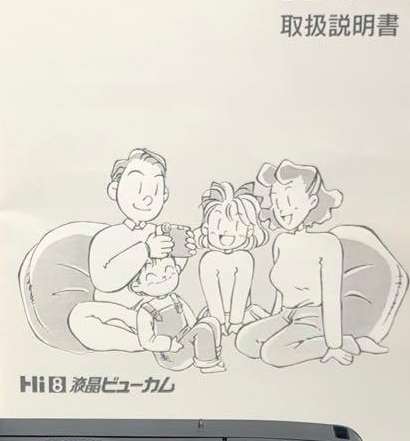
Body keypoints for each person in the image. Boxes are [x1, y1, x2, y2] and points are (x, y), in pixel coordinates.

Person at [235, 160, 388, 368]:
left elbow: (331, 298)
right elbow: (280, 291)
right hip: (286, 314)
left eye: (289, 199)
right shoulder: (281, 241)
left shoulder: (327, 243)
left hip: (314, 318)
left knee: (272, 354)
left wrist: (334, 345)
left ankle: (350, 344)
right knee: (245, 342)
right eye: (276, 200)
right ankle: (343, 342)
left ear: (312, 201)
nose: (281, 208)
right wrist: (274, 321)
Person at [69, 149, 195, 353]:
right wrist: (145, 250)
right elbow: (103, 281)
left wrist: (182, 255)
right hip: (122, 316)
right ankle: (145, 343)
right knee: (80, 317)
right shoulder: (107, 237)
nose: (147, 198)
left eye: (155, 190)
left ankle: (165, 338)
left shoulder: (161, 232)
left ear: (164, 195)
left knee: (176, 307)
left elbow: (170, 275)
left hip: (157, 311)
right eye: (137, 187)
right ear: (114, 190)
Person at [197, 182, 270, 338]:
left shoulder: (245, 258)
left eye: (236, 226)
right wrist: (218, 322)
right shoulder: (208, 260)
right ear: (206, 229)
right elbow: (212, 295)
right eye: (218, 225)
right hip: (215, 315)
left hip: (243, 313)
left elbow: (241, 292)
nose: (225, 230)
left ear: (249, 230)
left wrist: (236, 322)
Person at [130, 257, 225, 374]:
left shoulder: (176, 299)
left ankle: (210, 355)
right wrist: (169, 344)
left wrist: (199, 328)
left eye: (169, 271)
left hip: (187, 343)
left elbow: (192, 322)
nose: (164, 277)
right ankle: (208, 365)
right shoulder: (145, 311)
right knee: (203, 329)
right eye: (152, 277)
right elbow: (147, 341)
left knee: (211, 321)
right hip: (171, 356)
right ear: (137, 286)